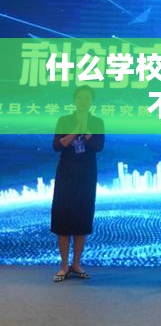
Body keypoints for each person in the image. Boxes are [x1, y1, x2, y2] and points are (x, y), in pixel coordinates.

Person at [51, 85, 105, 282]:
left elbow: (98, 146)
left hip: (86, 177)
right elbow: (57, 145)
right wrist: (75, 130)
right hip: (66, 175)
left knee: (82, 219)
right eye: (80, 98)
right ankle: (64, 266)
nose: (83, 101)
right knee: (63, 219)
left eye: (87, 98)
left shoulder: (97, 122)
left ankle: (76, 264)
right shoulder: (64, 120)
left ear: (92, 102)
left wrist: (87, 132)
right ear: (75, 100)